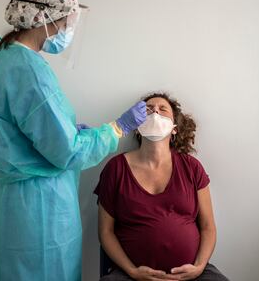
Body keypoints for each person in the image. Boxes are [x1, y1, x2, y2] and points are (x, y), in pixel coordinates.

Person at [0, 0, 146, 281]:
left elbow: (8, 129)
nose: (67, 29)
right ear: (44, 17)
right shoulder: (29, 71)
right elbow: (68, 152)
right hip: (36, 211)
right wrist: (116, 129)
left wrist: (65, 129)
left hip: (6, 203)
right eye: (66, 20)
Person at [94, 93, 229, 281]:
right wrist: (132, 271)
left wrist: (198, 267)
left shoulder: (192, 167)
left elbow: (208, 227)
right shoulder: (116, 168)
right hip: (131, 275)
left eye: (163, 109)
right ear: (137, 127)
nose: (155, 111)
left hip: (191, 275)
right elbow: (105, 232)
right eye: (148, 109)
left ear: (174, 128)